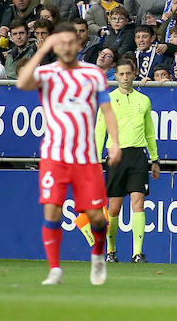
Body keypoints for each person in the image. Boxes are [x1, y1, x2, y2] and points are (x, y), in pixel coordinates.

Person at [15, 22, 121, 287]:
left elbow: (107, 110)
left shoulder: (94, 74)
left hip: (86, 158)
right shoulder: (47, 73)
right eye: (60, 43)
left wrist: (114, 142)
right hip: (54, 155)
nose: (66, 47)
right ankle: (55, 270)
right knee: (52, 210)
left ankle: (98, 254)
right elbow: (22, 82)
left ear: (78, 44)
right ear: (55, 45)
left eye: (71, 42)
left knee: (96, 216)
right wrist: (42, 51)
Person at [95, 60, 161, 264]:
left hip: (138, 156)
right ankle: (112, 251)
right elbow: (100, 131)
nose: (125, 78)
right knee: (114, 207)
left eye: (128, 74)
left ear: (135, 74)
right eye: (121, 74)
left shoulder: (144, 100)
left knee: (138, 203)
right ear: (116, 76)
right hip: (115, 155)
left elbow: (150, 132)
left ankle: (138, 253)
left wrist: (155, 159)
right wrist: (97, 160)